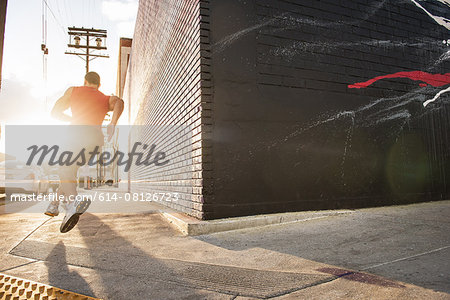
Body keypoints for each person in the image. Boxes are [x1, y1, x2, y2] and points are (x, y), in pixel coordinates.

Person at [45, 72, 124, 233]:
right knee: (69, 172)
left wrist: (73, 120)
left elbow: (55, 112)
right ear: (99, 85)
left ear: (85, 81)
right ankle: (54, 205)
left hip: (75, 136)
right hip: (95, 142)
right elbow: (119, 102)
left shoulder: (73, 91)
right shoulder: (105, 98)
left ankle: (72, 204)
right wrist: (112, 123)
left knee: (64, 169)